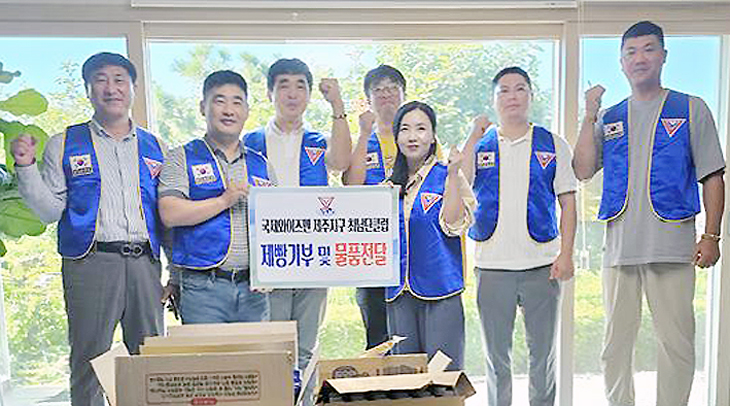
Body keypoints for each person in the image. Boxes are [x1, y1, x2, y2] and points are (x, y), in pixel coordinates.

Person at [572, 21, 724, 406]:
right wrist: (589, 114)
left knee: (676, 344)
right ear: (621, 62)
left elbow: (712, 175)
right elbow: (583, 169)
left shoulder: (690, 108)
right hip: (620, 249)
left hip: (672, 247)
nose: (639, 58)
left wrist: (711, 235)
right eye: (631, 52)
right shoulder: (609, 117)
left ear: (663, 56)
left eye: (648, 49)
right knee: (614, 347)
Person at [10, 52, 166, 406]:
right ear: (88, 89)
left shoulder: (156, 146)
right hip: (90, 263)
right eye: (101, 80)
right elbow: (49, 212)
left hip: (145, 264)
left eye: (119, 80)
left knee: (151, 360)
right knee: (89, 360)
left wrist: (177, 275)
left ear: (134, 88)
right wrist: (26, 168)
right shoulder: (65, 143)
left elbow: (165, 215)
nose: (111, 88)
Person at [462, 66, 577, 406]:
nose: (512, 96)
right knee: (496, 358)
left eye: (519, 89)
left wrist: (566, 254)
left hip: (542, 265)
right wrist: (472, 135)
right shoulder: (480, 144)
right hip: (492, 266)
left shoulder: (553, 144)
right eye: (504, 90)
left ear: (530, 95)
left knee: (543, 355)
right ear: (494, 99)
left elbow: (568, 202)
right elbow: (460, 182)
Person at [243, 58, 351, 406]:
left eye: (300, 86)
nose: (292, 94)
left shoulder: (318, 140)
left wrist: (337, 104)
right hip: (269, 261)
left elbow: (342, 162)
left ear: (308, 93)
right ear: (269, 93)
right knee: (273, 347)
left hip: (312, 259)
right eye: (284, 85)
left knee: (306, 346)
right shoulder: (250, 142)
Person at [158, 70, 270, 324]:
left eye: (237, 102)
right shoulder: (181, 157)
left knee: (259, 352)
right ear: (203, 107)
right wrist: (222, 201)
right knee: (206, 353)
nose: (229, 110)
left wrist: (273, 271)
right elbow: (169, 213)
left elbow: (275, 225)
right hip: (202, 288)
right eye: (219, 101)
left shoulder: (262, 164)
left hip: (254, 291)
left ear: (246, 111)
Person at [384, 100, 475, 370]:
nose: (412, 136)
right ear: (396, 137)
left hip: (440, 291)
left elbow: (453, 225)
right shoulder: (388, 185)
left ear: (433, 136)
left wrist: (453, 175)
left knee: (443, 376)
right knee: (404, 376)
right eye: (405, 129)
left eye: (421, 128)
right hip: (399, 293)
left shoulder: (447, 175)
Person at [343, 64, 407, 349]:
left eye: (393, 88)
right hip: (372, 250)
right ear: (368, 99)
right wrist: (363, 133)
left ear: (404, 95)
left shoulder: (418, 137)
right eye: (378, 90)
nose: (386, 94)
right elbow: (352, 184)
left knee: (410, 331)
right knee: (378, 336)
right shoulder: (363, 140)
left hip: (410, 248)